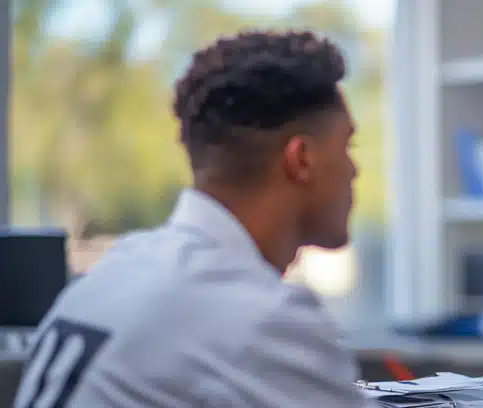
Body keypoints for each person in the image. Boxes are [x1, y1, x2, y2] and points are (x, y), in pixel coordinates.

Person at [14, 30, 369, 407]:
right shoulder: (262, 321)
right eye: (348, 146)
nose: (354, 170)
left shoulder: (109, 275)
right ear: (301, 160)